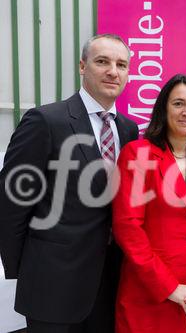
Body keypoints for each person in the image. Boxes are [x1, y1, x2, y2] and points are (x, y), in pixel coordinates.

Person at [0, 34, 139, 332]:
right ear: (82, 66)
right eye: (102, 62)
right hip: (52, 283)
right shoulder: (46, 121)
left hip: (110, 281)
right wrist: (20, 269)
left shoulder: (128, 129)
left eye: (121, 64)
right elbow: (12, 201)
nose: (113, 71)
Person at [112, 74, 186, 333]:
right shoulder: (137, 154)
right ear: (164, 108)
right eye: (178, 104)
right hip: (152, 293)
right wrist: (170, 288)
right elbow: (128, 228)